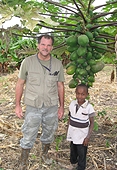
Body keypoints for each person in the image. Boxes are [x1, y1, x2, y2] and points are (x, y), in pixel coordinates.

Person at [15, 34, 65, 169]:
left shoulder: (57, 64)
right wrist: (18, 105)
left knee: (49, 132)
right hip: (33, 105)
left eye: (48, 45)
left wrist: (61, 107)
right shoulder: (28, 62)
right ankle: (23, 160)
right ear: (38, 45)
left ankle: (44, 154)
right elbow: (20, 84)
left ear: (52, 47)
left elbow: (60, 85)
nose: (45, 48)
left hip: (51, 105)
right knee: (29, 133)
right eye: (43, 44)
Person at [67, 84, 95, 170]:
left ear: (87, 95)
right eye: (78, 93)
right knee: (73, 150)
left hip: (82, 137)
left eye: (83, 94)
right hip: (73, 134)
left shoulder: (89, 107)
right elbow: (70, 118)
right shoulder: (72, 104)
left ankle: (81, 167)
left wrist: (88, 137)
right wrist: (68, 131)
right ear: (75, 93)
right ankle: (73, 163)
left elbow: (92, 123)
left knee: (82, 153)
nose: (80, 96)